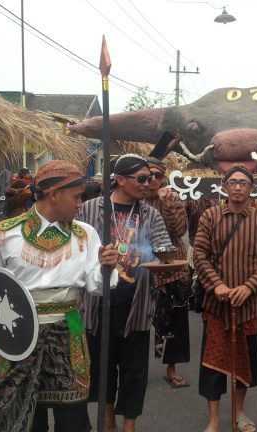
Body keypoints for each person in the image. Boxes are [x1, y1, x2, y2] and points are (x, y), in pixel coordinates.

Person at [0, 160, 119, 432]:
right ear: (54, 194)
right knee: (27, 418)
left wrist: (106, 267)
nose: (80, 204)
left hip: (70, 327)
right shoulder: (5, 233)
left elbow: (98, 286)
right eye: (77, 197)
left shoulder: (85, 235)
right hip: (19, 334)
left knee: (73, 419)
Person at [77, 154, 173, 432]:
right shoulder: (90, 209)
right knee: (103, 369)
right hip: (98, 304)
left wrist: (164, 259)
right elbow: (78, 250)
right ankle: (108, 423)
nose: (148, 184)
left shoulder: (150, 213)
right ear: (120, 180)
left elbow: (163, 246)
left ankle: (129, 426)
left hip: (137, 303)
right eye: (141, 178)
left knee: (134, 373)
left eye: (152, 179)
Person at [194, 165, 257, 432]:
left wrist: (249, 286)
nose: (239, 186)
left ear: (252, 188)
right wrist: (217, 284)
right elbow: (199, 255)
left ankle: (240, 411)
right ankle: (214, 418)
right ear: (224, 187)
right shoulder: (210, 216)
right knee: (213, 364)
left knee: (245, 360)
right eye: (233, 182)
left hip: (248, 306)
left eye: (244, 182)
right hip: (216, 304)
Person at [144, 157, 192, 389]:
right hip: (142, 269)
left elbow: (180, 230)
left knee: (177, 321)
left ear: (163, 179)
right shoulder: (135, 199)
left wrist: (167, 204)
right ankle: (135, 367)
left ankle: (171, 369)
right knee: (141, 319)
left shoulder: (173, 199)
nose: (152, 179)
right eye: (148, 174)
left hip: (173, 270)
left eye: (157, 176)